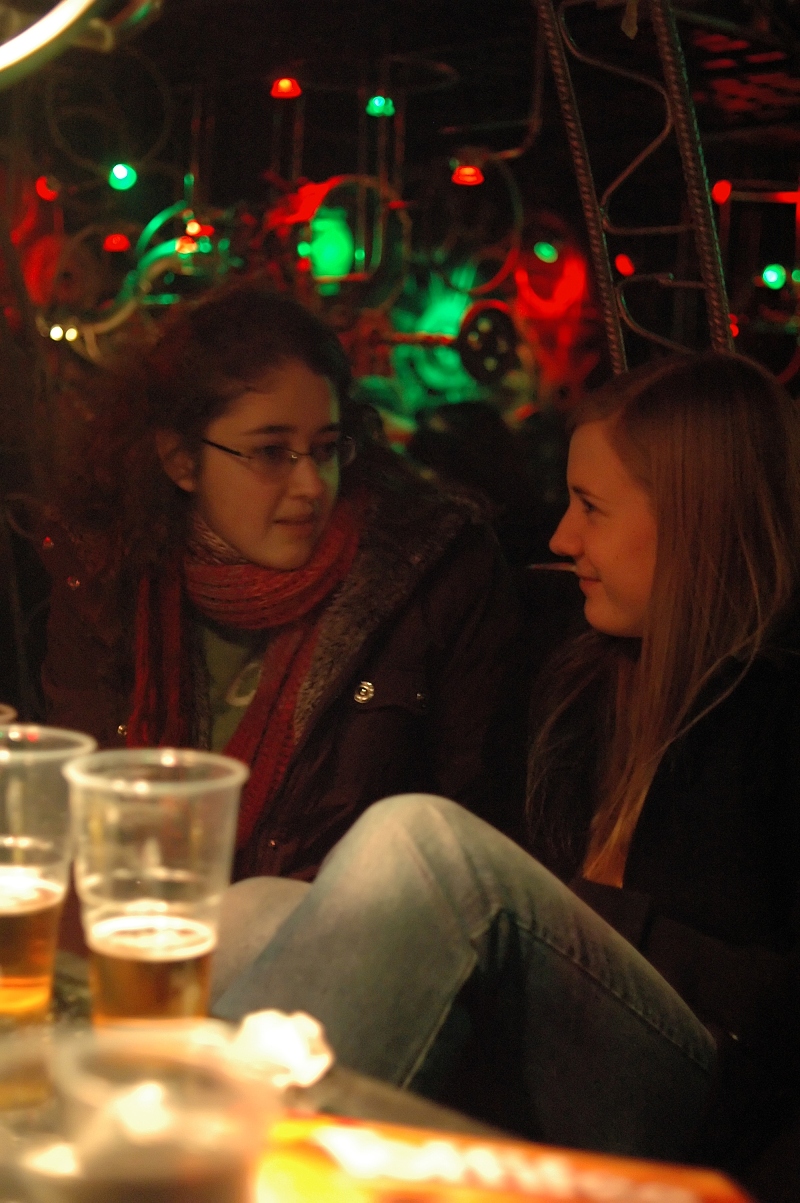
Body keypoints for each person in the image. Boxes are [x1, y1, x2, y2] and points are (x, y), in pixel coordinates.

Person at [212, 352, 800, 1197]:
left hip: (709, 1103)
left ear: (697, 521)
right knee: (249, 912)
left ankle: (206, 1174)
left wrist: (572, 917)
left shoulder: (777, 709)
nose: (565, 538)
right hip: (560, 1046)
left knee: (421, 840)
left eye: (592, 508)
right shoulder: (583, 673)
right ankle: (175, 1151)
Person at [39, 283, 525, 942]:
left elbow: (476, 844)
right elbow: (77, 819)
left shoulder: (432, 575)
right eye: (271, 453)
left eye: (325, 449)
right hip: (149, 941)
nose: (309, 485)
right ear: (181, 460)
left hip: (355, 950)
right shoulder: (113, 577)